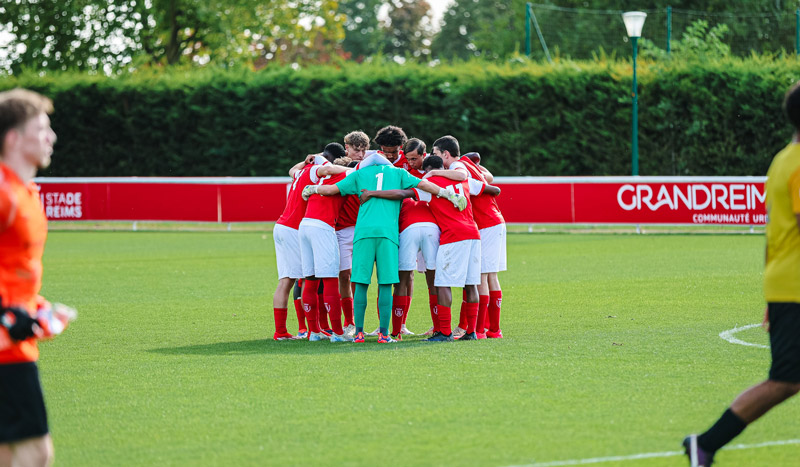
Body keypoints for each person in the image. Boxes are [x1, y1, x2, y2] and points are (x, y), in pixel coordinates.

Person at [682, 82, 800, 467]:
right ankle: (707, 443)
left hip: (786, 284)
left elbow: (773, 235)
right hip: (796, 286)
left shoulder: (783, 159)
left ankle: (706, 444)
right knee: (785, 380)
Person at [302, 159, 467, 344]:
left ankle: (359, 333)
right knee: (386, 284)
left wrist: (312, 189)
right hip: (388, 233)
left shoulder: (359, 173)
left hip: (363, 232)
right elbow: (426, 185)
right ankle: (384, 334)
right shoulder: (399, 173)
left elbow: (331, 190)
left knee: (360, 283)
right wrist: (449, 194)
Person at [0, 88, 72, 467]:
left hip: (14, 345)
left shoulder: (24, 191)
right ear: (13, 138)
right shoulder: (4, 192)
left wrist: (38, 309)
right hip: (6, 351)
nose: (52, 137)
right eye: (41, 128)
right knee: (34, 452)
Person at [362, 152, 499, 342]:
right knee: (471, 283)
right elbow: (494, 190)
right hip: (473, 234)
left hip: (451, 235)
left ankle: (442, 332)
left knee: (440, 284)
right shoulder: (465, 181)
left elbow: (402, 194)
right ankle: (472, 332)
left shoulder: (431, 185)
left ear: (428, 171)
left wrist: (372, 193)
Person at [271, 147, 331, 340]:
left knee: (286, 281)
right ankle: (311, 329)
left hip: (281, 225)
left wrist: (305, 162)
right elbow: (328, 171)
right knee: (306, 278)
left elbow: (291, 170)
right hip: (293, 229)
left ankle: (282, 331)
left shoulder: (301, 172)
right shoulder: (315, 171)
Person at [297, 145, 352, 342]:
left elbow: (296, 169)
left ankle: (314, 332)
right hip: (323, 226)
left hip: (305, 225)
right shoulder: (348, 176)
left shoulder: (323, 175)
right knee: (329, 280)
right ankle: (338, 333)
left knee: (310, 280)